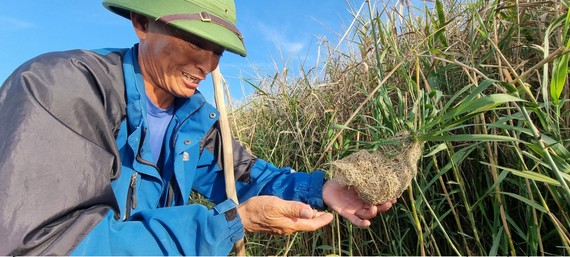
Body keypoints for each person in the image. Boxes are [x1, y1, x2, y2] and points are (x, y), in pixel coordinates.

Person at [0, 0, 396, 255]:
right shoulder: (61, 90)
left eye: (218, 50)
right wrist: (230, 224)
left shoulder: (194, 118)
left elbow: (242, 174)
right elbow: (49, 245)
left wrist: (322, 189)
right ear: (141, 22)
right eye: (194, 41)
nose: (208, 65)